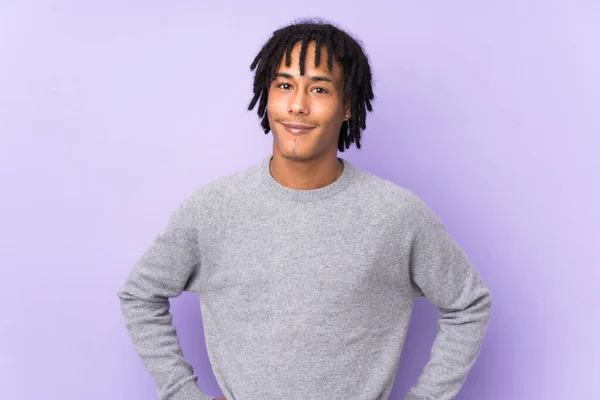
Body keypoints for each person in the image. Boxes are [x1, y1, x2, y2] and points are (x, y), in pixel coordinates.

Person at [117, 18, 492, 400]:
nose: (297, 105)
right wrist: (182, 393)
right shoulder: (212, 209)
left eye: (318, 88)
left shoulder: (397, 215)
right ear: (267, 96)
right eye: (284, 86)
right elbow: (140, 294)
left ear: (346, 106)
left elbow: (469, 303)